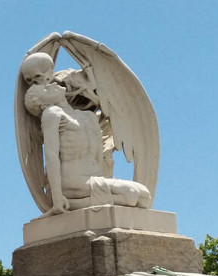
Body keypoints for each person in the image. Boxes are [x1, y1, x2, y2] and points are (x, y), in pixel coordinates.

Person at [20, 59, 152, 216]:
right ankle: (67, 203)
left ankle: (76, 204)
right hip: (70, 181)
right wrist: (56, 198)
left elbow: (98, 155)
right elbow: (51, 156)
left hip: (93, 177)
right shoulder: (52, 114)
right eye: (45, 90)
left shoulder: (88, 116)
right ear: (42, 104)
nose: (53, 85)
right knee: (131, 194)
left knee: (143, 196)